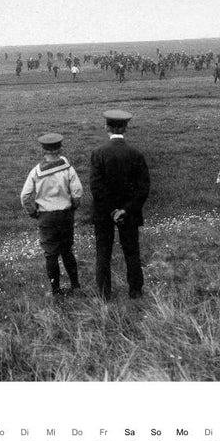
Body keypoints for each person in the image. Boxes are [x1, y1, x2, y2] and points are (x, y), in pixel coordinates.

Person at [89, 110, 150, 301]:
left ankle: (104, 294)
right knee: (132, 252)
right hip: (129, 213)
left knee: (103, 253)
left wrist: (112, 210)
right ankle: (135, 291)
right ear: (125, 127)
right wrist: (125, 209)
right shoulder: (136, 154)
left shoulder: (98, 153)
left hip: (104, 213)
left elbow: (96, 187)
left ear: (106, 127)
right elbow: (143, 188)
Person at [20, 133, 84, 296]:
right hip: (65, 214)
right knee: (67, 250)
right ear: (60, 148)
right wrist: (73, 206)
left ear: (43, 150)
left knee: (50, 254)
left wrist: (33, 212)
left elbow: (25, 196)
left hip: (46, 216)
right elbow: (77, 191)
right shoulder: (68, 168)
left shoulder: (36, 171)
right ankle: (75, 285)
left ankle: (56, 290)